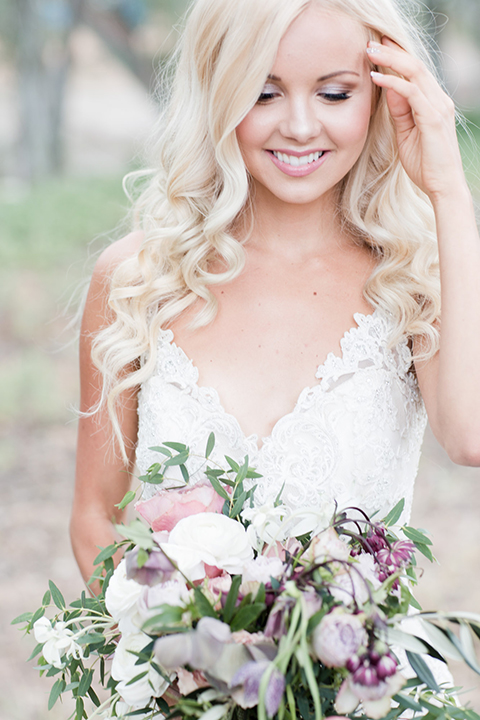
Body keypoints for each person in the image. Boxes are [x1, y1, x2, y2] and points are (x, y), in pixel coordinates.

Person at [71, 0, 480, 608]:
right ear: (220, 93)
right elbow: (93, 520)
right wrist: (178, 665)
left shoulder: (412, 279)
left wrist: (447, 185)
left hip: (365, 695)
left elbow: (470, 437)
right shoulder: (137, 282)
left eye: (335, 94)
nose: (299, 125)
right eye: (263, 92)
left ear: (378, 97)